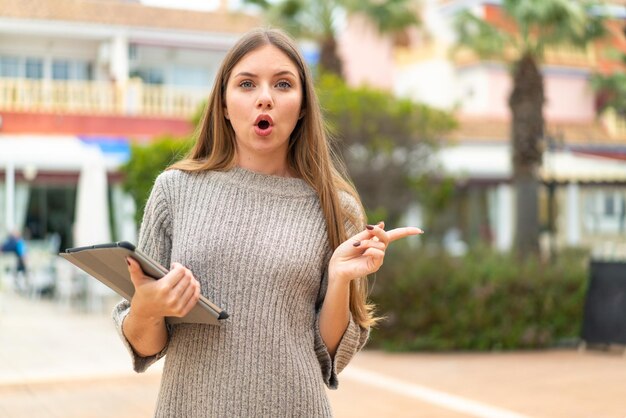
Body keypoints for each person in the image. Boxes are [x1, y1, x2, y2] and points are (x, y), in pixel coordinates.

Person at [112, 27, 422, 417]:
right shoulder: (174, 191)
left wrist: (340, 277)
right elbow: (144, 346)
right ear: (223, 103)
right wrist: (147, 307)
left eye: (282, 84)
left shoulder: (336, 206)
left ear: (303, 105)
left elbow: (328, 359)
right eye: (246, 84)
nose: (265, 98)